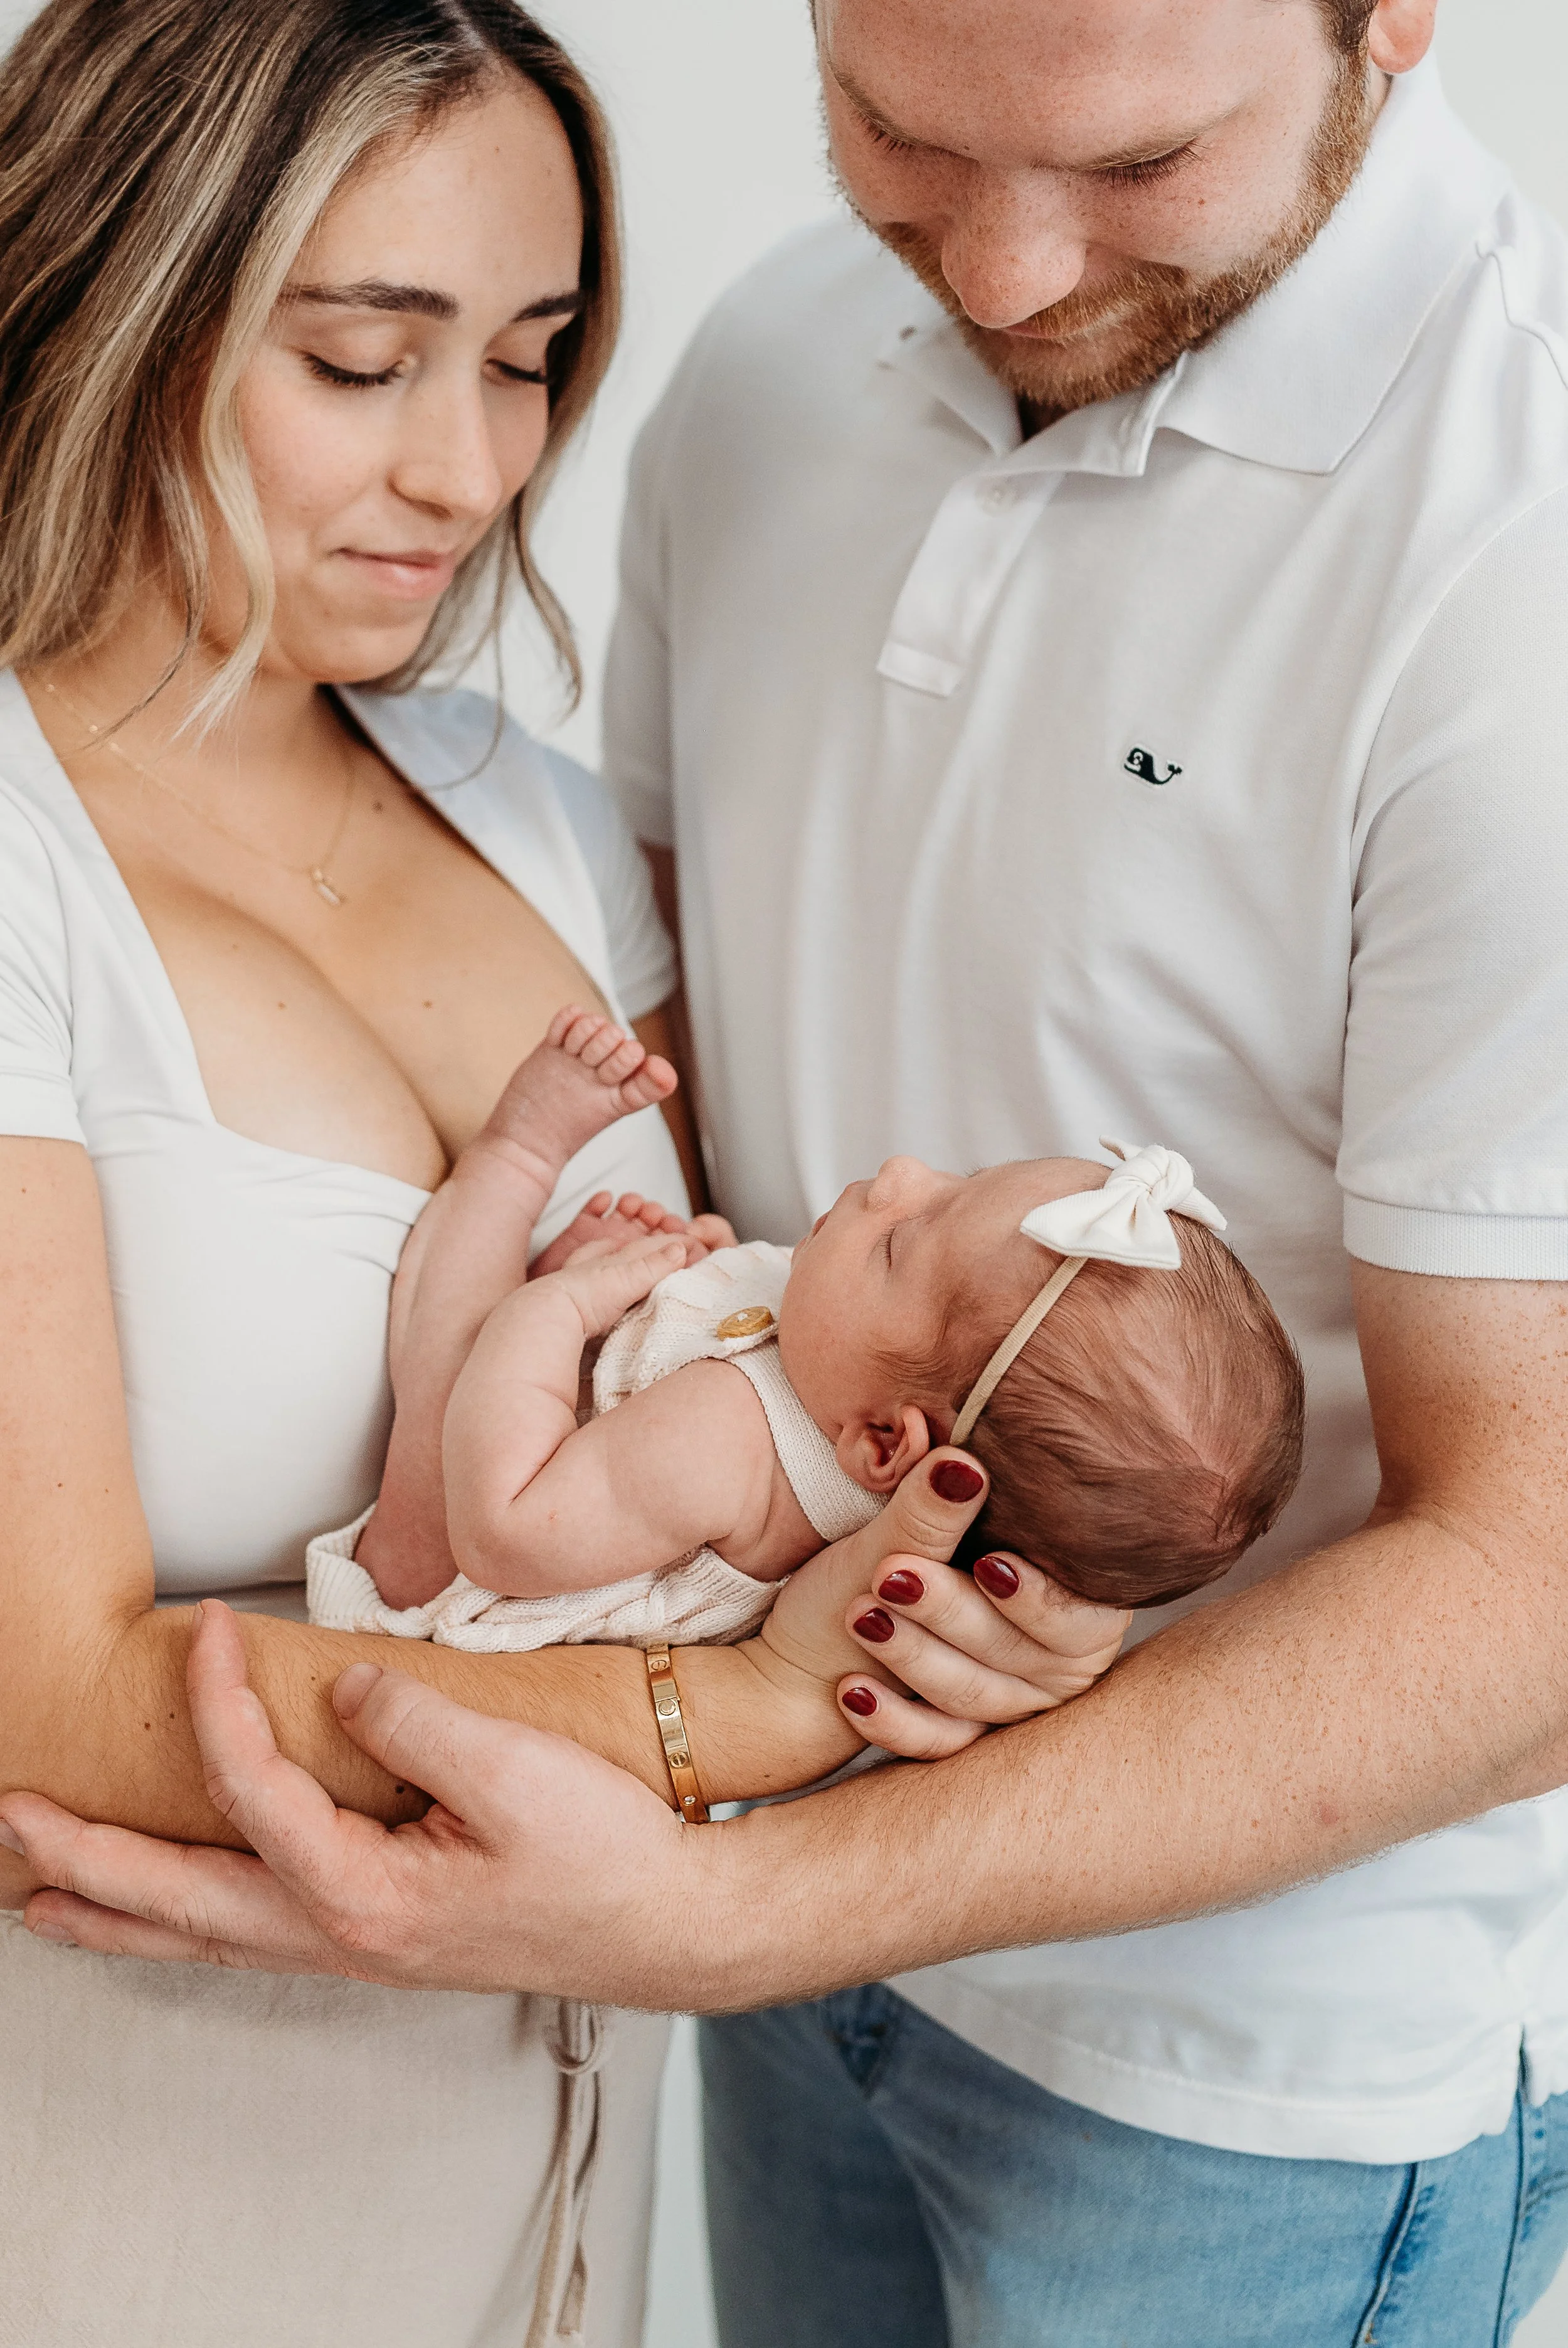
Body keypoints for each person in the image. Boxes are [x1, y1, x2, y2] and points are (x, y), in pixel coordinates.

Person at [10, 0, 1568, 2339]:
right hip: (664, 2022)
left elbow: (1542, 1567)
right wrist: (766, 1738)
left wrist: (781, 1824)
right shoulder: (771, 386)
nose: (1011, 271)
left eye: (1137, 166)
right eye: (899, 134)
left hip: (1211, 2074)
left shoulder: (1510, 564)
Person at [326, 1004, 1301, 1633]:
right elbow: (748, 1349)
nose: (900, 1176)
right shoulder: (840, 1382)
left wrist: (556, 1307)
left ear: (883, 1441)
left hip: (438, 1588)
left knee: (456, 1349)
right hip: (557, 1500)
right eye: (958, 1180)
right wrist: (680, 1289)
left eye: (900, 1242)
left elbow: (503, 1525)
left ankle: (515, 1155)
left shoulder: (723, 1443)